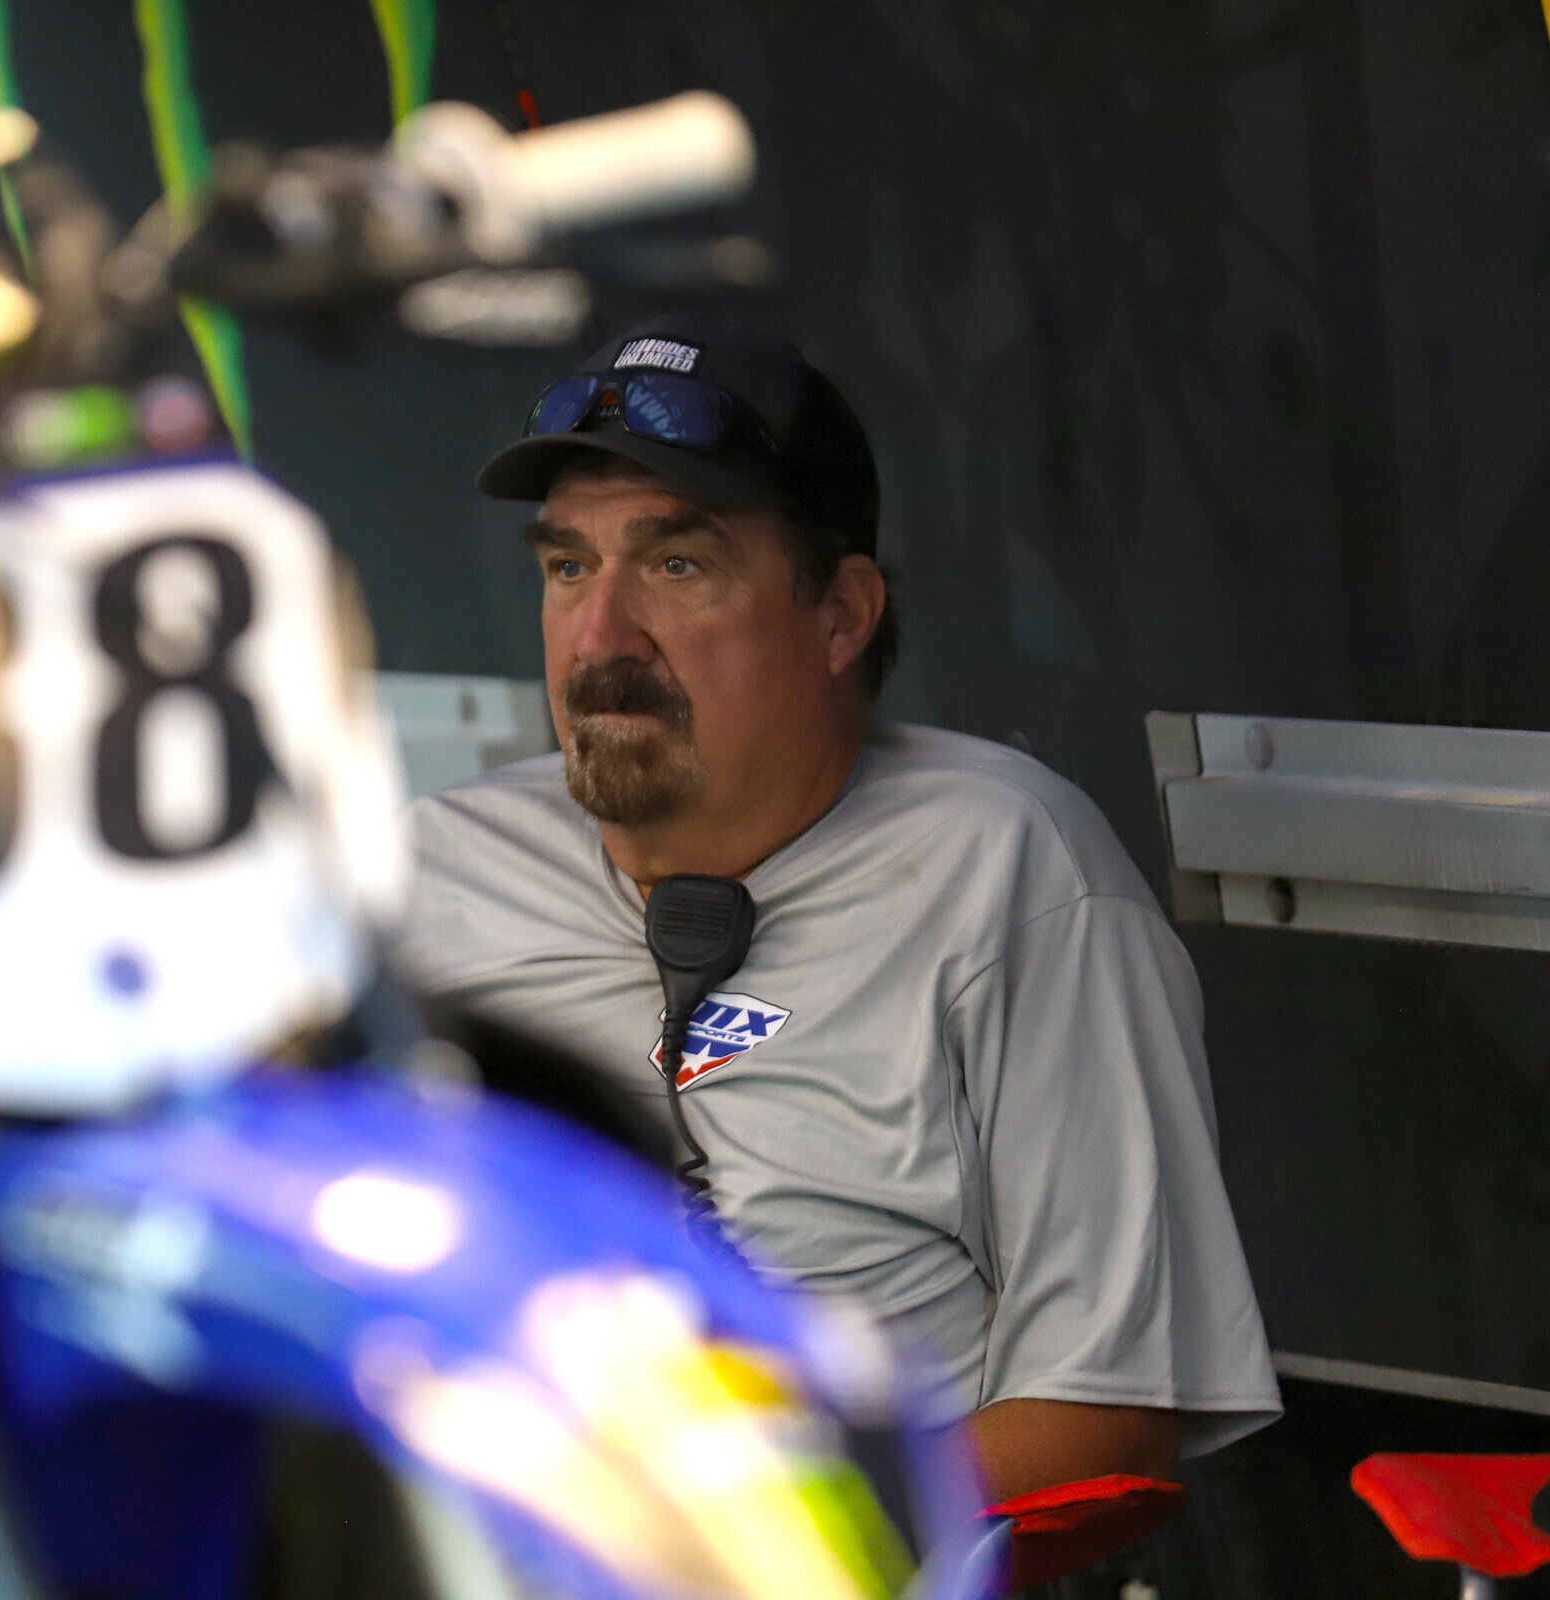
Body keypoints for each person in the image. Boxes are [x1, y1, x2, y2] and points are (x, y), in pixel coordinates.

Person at [395, 313, 1280, 1501]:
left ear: (841, 615)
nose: (601, 639)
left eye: (676, 565)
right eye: (569, 569)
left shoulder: (1009, 867)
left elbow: (1106, 1416)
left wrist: (741, 1545)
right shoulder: (436, 870)